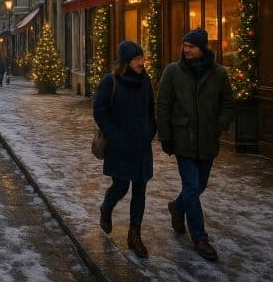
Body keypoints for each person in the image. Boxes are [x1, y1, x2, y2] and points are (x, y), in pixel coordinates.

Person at [157, 28, 233, 262]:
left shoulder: (219, 73)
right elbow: (163, 104)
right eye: (185, 45)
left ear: (202, 48)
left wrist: (219, 125)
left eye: (191, 46)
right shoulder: (172, 71)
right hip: (183, 139)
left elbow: (228, 103)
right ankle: (200, 238)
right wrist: (166, 135)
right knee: (191, 186)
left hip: (208, 140)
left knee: (199, 186)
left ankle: (178, 207)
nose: (186, 49)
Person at [93, 41, 155, 259]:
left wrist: (150, 130)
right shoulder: (110, 82)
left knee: (140, 189)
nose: (141, 62)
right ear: (126, 62)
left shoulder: (145, 81)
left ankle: (134, 235)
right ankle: (106, 207)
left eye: (142, 58)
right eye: (137, 59)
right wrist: (115, 135)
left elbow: (151, 109)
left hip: (141, 147)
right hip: (120, 146)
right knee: (120, 186)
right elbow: (100, 112)